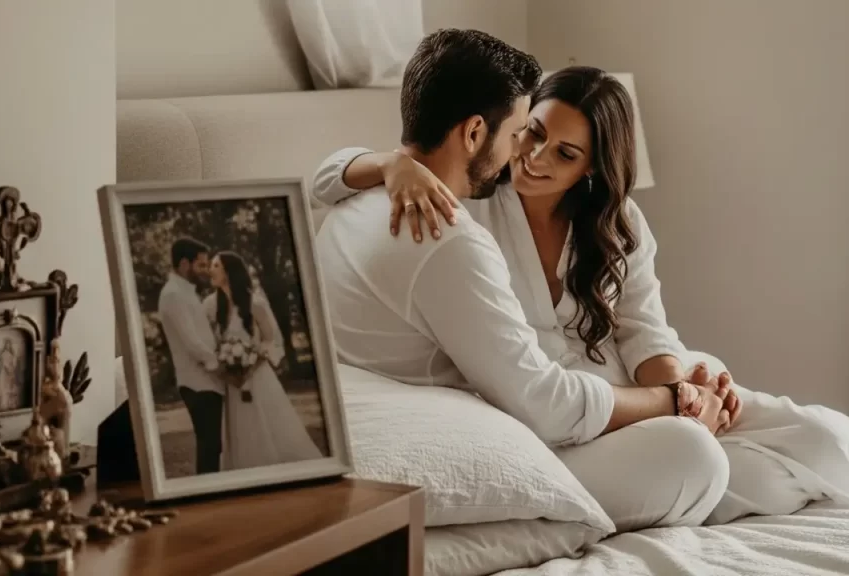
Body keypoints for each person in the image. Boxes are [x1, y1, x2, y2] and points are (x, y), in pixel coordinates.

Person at [313, 65, 849, 527]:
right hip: (554, 411)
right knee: (752, 481)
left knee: (798, 430)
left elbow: (644, 328)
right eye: (531, 134)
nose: (532, 158)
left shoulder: (618, 221)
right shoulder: (472, 198)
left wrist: (683, 394)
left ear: (593, 167)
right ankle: (836, 466)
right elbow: (325, 174)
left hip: (636, 385)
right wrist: (393, 166)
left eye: (565, 153)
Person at [315, 30, 735, 532]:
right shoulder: (451, 239)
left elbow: (327, 174)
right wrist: (671, 401)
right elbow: (545, 405)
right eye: (520, 132)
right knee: (697, 457)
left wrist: (391, 162)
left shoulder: (352, 205)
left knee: (747, 418)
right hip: (498, 438)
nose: (524, 153)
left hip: (524, 405)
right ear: (474, 133)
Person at [204, 251, 322, 469]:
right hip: (232, 382)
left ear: (229, 272)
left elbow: (271, 340)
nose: (210, 270)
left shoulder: (254, 303)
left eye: (216, 266)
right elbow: (209, 343)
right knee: (240, 426)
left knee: (267, 423)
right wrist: (226, 369)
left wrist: (250, 366)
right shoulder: (211, 305)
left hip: (257, 376)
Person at [158, 237, 225, 475]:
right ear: (185, 264)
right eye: (202, 265)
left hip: (206, 380)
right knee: (209, 446)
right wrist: (219, 365)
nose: (206, 271)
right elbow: (191, 342)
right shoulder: (173, 294)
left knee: (213, 446)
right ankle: (209, 499)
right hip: (197, 382)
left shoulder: (185, 291)